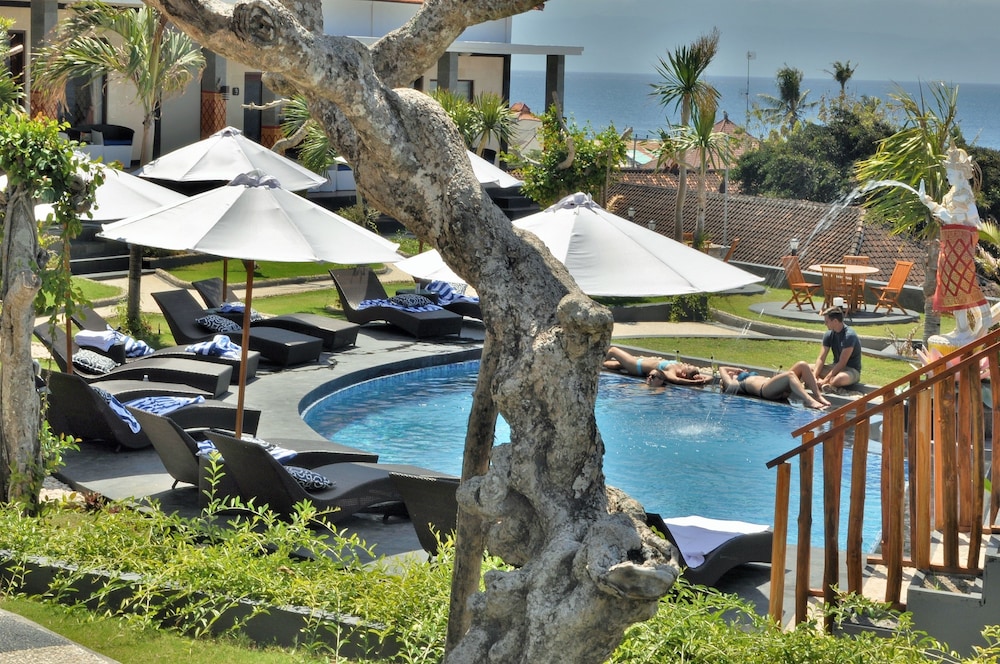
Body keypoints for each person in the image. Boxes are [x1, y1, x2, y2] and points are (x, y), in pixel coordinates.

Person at [719, 364, 831, 410]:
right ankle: (810, 401)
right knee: (790, 375)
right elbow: (722, 368)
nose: (730, 373)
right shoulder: (733, 384)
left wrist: (739, 371)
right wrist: (736, 370)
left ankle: (818, 396)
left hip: (775, 386)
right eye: (729, 374)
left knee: (802, 365)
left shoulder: (742, 377)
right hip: (765, 390)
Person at [603, 346, 712, 387]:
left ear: (684, 374)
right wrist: (701, 379)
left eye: (688, 367)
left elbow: (676, 380)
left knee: (613, 350)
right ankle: (599, 364)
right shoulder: (679, 367)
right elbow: (711, 377)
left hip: (636, 366)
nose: (687, 364)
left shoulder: (672, 372)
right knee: (609, 365)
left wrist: (694, 383)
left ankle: (593, 364)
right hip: (639, 362)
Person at [814, 305, 862, 390]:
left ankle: (825, 383)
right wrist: (814, 376)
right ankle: (821, 382)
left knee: (839, 379)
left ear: (835, 321)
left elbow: (842, 363)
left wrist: (825, 379)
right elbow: (821, 358)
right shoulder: (829, 334)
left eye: (827, 321)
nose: (825, 324)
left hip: (850, 370)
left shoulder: (849, 336)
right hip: (835, 366)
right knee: (807, 368)